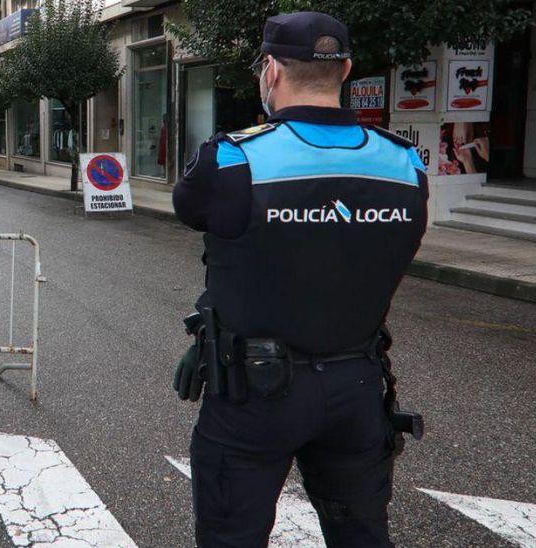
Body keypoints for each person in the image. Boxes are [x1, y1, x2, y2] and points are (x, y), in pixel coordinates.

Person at [171, 12, 428, 547]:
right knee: (361, 536)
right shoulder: (406, 165)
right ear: (348, 69)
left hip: (252, 395)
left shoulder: (232, 160)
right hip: (358, 387)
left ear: (271, 71)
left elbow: (193, 210)